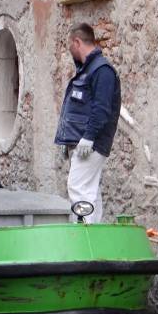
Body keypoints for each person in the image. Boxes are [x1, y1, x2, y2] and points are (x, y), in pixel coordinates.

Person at [54, 23, 121, 224]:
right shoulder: (89, 70)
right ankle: (94, 235)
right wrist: (69, 142)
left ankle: (84, 236)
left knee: (78, 188)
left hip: (91, 144)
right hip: (83, 143)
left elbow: (102, 109)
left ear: (77, 42)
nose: (69, 51)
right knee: (90, 190)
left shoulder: (102, 71)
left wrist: (88, 138)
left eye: (70, 46)